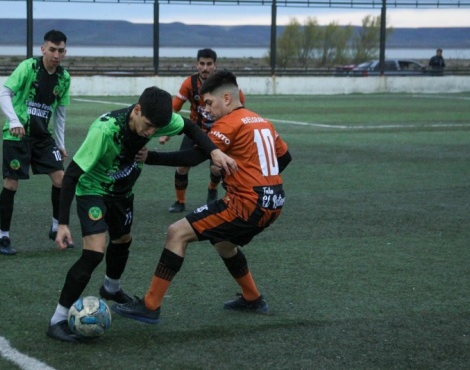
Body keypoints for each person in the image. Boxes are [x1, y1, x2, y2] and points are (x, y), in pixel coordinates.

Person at [46, 86, 237, 342]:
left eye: (156, 129)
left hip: (123, 192)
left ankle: (111, 288)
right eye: (147, 126)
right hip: (93, 190)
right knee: (94, 252)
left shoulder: (158, 120)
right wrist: (62, 223)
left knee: (122, 240)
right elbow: (70, 177)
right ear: (136, 110)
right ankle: (57, 320)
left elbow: (191, 128)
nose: (150, 133)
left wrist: (213, 151)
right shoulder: (105, 130)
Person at [112, 70, 292, 324]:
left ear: (227, 98)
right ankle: (252, 298)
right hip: (274, 201)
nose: (206, 109)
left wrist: (150, 157)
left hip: (247, 203)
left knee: (177, 232)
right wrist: (256, 178)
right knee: (223, 241)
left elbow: (194, 157)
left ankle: (150, 306)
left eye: (209, 103)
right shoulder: (260, 120)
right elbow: (284, 158)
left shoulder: (228, 123)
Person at [0, 29, 72, 256]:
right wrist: (13, 121)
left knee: (62, 180)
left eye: (60, 50)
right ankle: (3, 236)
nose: (56, 55)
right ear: (43, 49)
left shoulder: (64, 78)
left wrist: (60, 143)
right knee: (11, 184)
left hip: (43, 138)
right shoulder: (28, 67)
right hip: (17, 136)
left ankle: (56, 227)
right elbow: (3, 94)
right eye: (52, 49)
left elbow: (60, 114)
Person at [161, 48, 246, 213]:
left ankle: (212, 189)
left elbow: (240, 104)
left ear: (215, 65)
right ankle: (180, 201)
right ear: (197, 64)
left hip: (220, 131)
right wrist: (166, 130)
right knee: (182, 166)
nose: (205, 68)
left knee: (216, 168)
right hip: (195, 131)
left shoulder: (225, 84)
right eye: (202, 64)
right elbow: (175, 108)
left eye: (209, 64)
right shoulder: (189, 83)